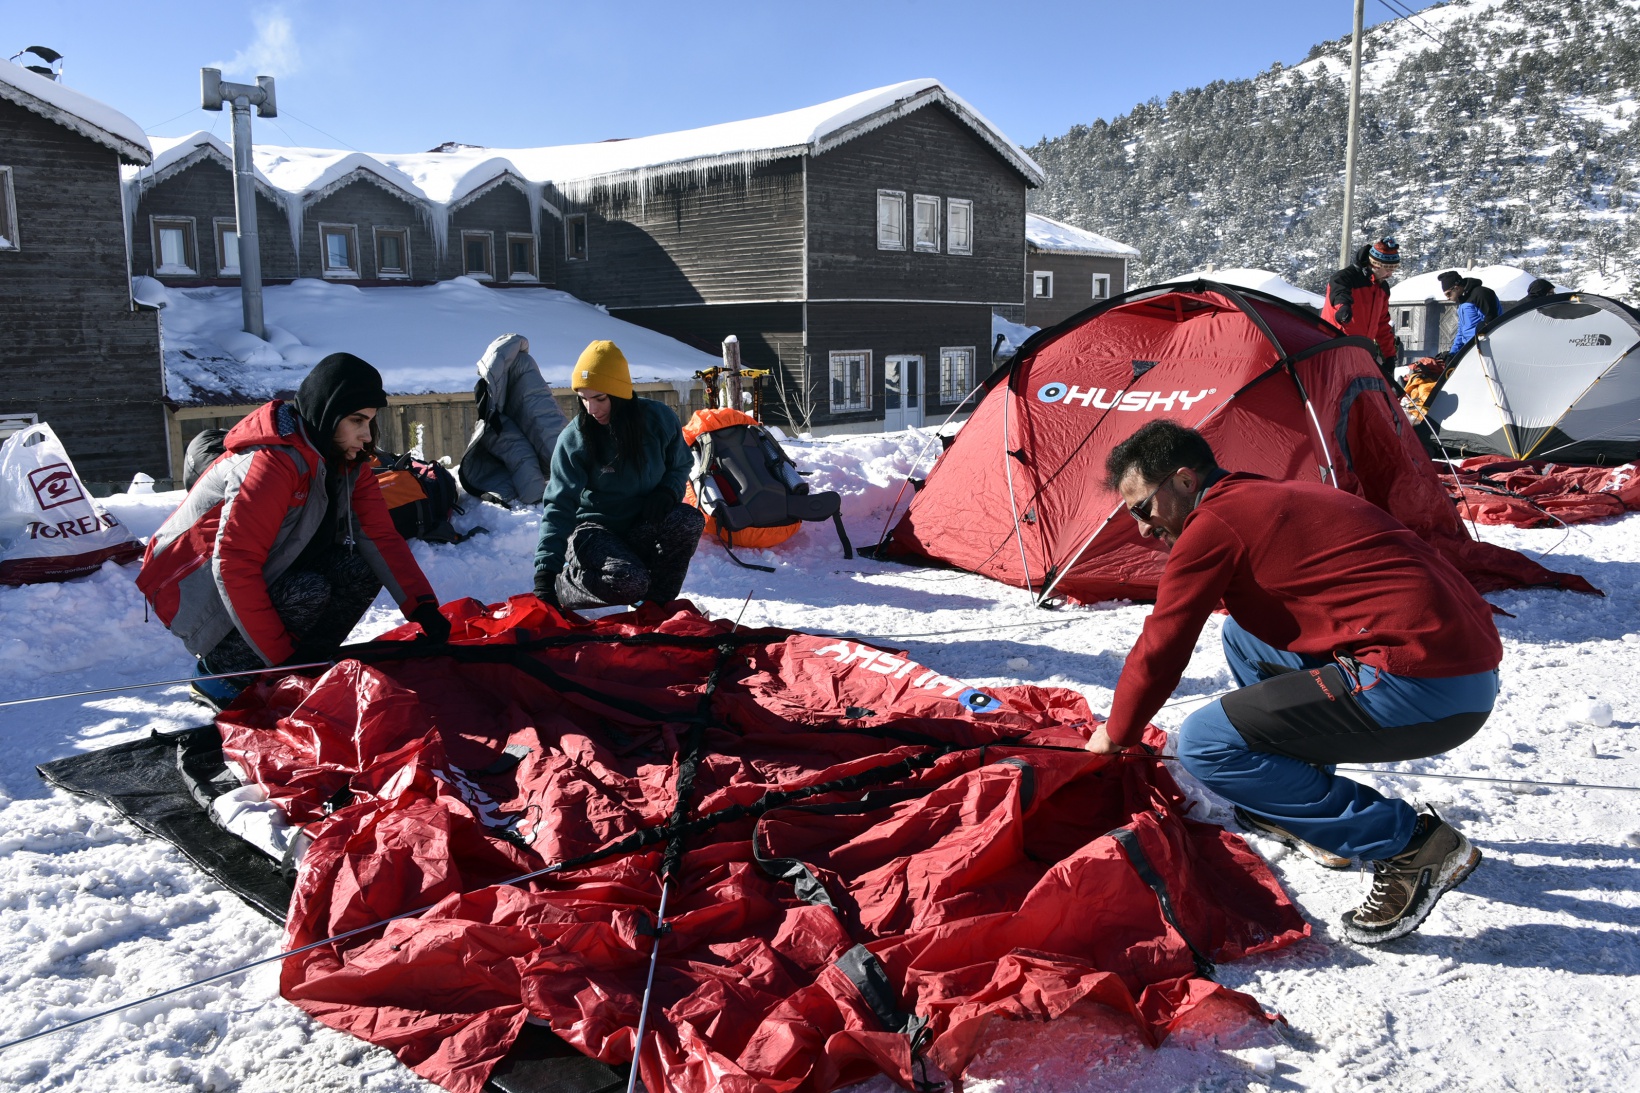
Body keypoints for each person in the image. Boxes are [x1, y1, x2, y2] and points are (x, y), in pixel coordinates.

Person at [1086, 420, 1502, 944]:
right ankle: (1298, 801)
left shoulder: (1213, 523)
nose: (1143, 529)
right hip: (1462, 668)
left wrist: (1116, 734)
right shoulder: (1260, 492)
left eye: (1143, 509)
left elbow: (1163, 646)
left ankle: (1409, 845)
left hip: (1424, 686)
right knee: (1243, 635)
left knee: (1204, 745)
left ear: (1185, 481)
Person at [138, 353, 449, 709]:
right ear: (327, 413)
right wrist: (281, 660)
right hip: (191, 589)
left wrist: (423, 608)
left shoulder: (346, 460)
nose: (366, 436)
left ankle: (307, 669)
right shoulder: (270, 462)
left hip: (257, 575)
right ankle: (222, 674)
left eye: (370, 422)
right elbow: (234, 566)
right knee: (309, 590)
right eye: (356, 420)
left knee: (358, 570)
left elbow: (379, 537)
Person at [532, 340, 705, 610]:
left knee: (688, 519)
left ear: (621, 393)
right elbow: (559, 504)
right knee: (628, 581)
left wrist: (668, 490)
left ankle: (654, 608)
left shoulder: (658, 419)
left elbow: (680, 463)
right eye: (584, 398)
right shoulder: (575, 438)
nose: (592, 409)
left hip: (640, 523)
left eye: (600, 398)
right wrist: (545, 573)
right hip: (594, 531)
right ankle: (564, 585)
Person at [1323, 237, 1402, 382]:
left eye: (1394, 269)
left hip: (1363, 351)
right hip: (1335, 349)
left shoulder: (1382, 288)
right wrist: (1343, 307)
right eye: (1388, 269)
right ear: (1375, 265)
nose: (1390, 274)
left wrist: (1389, 356)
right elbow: (1340, 294)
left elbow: (1382, 324)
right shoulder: (1345, 277)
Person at [1438, 270, 1502, 358]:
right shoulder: (1462, 301)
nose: (1448, 298)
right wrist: (1452, 353)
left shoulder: (1481, 294)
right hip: (1469, 349)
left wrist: (1478, 347)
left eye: (1448, 294)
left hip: (1484, 349)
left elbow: (1491, 323)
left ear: (1456, 287)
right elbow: (1462, 330)